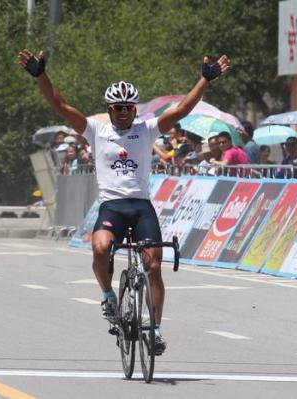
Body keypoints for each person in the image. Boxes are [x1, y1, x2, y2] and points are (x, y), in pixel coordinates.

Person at [18, 48, 229, 355]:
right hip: (112, 207)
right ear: (110, 109)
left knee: (154, 265)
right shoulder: (96, 130)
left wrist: (204, 80)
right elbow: (61, 105)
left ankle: (155, 329)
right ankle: (107, 295)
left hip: (141, 207)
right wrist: (40, 76)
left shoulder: (148, 129)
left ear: (134, 109)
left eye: (128, 107)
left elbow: (182, 109)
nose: (123, 112)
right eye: (117, 108)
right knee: (101, 247)